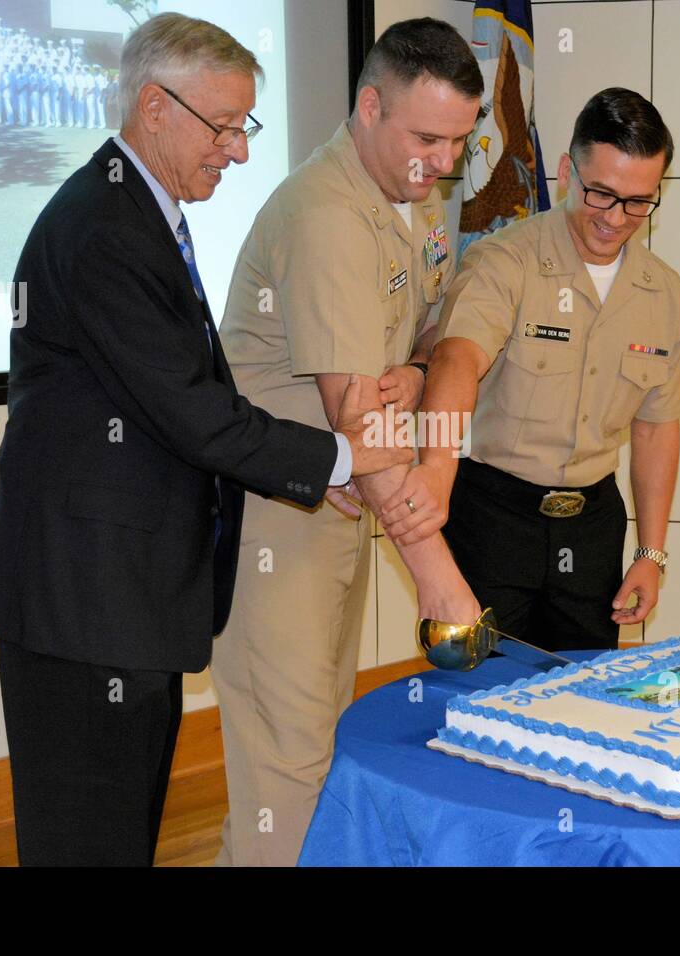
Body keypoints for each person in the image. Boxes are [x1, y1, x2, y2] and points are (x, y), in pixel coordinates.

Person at [0, 13, 412, 867]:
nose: (240, 150)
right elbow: (193, 414)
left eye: (245, 126)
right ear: (154, 107)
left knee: (118, 838)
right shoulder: (106, 228)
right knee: (89, 844)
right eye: (224, 126)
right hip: (86, 608)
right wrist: (339, 456)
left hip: (122, 604)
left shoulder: (137, 211)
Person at [213, 17, 484, 867]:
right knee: (286, 765)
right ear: (369, 107)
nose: (444, 163)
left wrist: (408, 366)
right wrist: (441, 584)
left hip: (338, 504)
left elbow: (424, 339)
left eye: (460, 143)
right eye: (427, 138)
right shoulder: (328, 214)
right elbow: (359, 425)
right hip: (275, 521)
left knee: (318, 739)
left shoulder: (411, 201)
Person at [381, 88, 680, 652]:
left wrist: (650, 554)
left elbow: (656, 427)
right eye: (601, 194)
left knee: (583, 698)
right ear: (567, 171)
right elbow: (456, 359)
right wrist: (436, 473)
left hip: (593, 523)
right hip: (495, 516)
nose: (616, 218)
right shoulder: (507, 260)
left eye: (639, 202)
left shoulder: (662, 290)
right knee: (481, 694)